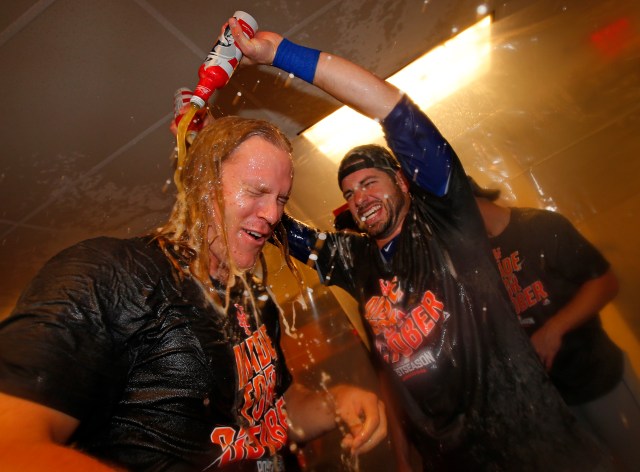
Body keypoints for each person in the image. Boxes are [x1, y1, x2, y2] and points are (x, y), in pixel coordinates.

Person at [231, 19, 615, 471]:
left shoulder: (448, 227)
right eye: (350, 193)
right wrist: (211, 152)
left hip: (536, 448)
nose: (360, 198)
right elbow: (273, 222)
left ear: (403, 183)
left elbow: (395, 113)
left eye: (369, 183)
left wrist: (284, 55)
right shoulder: (357, 262)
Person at [0, 116, 387, 471]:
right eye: (256, 191)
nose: (272, 215)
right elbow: (11, 447)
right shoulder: (109, 274)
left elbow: (271, 412)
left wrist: (334, 403)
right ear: (203, 183)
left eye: (281, 200)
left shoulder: (254, 301)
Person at [470, 177, 640, 471]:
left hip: (600, 377)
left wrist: (554, 328)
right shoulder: (477, 259)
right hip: (558, 401)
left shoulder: (540, 227)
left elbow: (605, 282)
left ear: (467, 198)